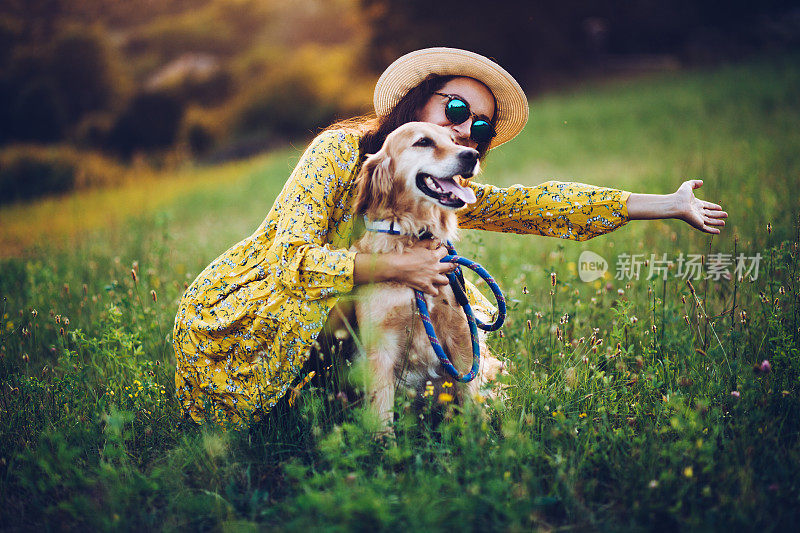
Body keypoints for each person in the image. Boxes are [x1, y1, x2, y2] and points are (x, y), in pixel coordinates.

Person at [172, 48, 727, 427]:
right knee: (390, 290)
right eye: (456, 109)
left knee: (442, 297)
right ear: (418, 102)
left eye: (479, 126)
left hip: (342, 318)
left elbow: (537, 206)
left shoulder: (437, 186)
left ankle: (388, 404)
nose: (465, 131)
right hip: (254, 311)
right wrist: (394, 268)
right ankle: (305, 410)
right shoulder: (341, 154)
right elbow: (287, 262)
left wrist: (668, 204)